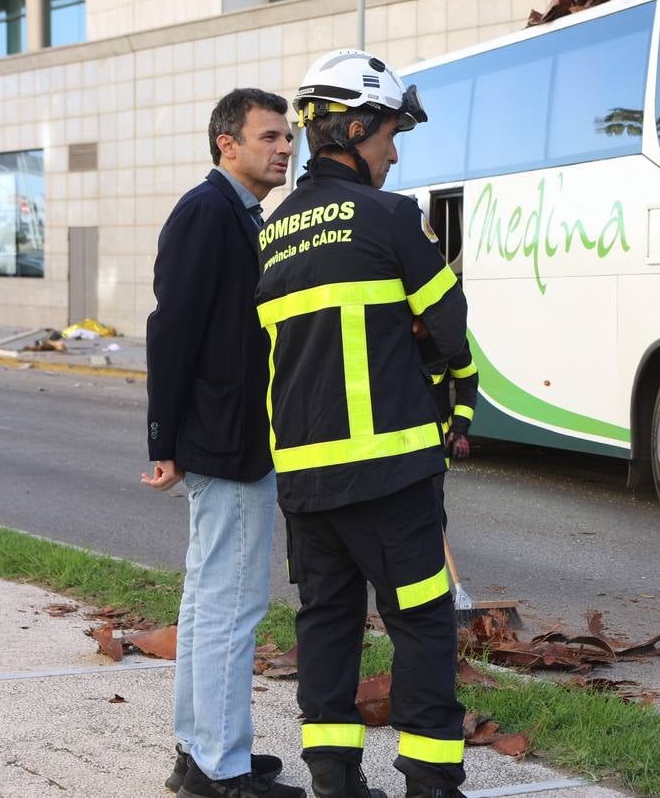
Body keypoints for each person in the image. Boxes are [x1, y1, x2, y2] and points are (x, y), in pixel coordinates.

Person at [256, 49, 469, 798]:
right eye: (389, 135)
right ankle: (431, 780)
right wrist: (428, 349)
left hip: (305, 482)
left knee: (327, 623)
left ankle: (334, 780)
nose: (394, 152)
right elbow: (450, 326)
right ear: (354, 129)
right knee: (422, 621)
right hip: (391, 475)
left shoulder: (273, 233)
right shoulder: (391, 216)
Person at [144, 89, 304, 798]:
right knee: (231, 605)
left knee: (210, 600)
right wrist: (164, 438)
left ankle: (198, 752)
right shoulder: (207, 211)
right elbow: (171, 328)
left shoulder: (240, 215)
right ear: (226, 145)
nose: (285, 147)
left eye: (288, 136)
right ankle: (220, 767)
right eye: (269, 136)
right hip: (228, 443)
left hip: (230, 438)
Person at [426, 339, 478, 464]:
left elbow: (467, 383)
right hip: (391, 449)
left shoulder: (450, 336)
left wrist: (459, 429)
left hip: (436, 445)